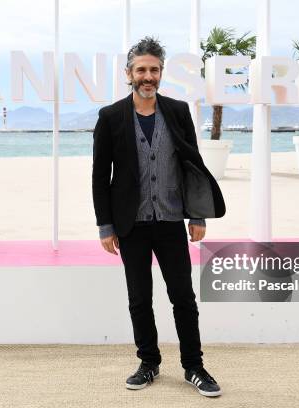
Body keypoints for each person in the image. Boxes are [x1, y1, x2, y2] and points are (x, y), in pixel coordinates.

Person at [91, 36, 226, 397]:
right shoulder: (110, 117)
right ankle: (148, 362)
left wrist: (198, 216)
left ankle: (193, 366)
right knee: (139, 298)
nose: (147, 76)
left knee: (182, 296)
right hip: (130, 225)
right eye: (141, 70)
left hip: (170, 223)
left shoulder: (178, 112)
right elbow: (99, 175)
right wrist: (105, 225)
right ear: (129, 74)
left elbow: (192, 166)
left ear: (161, 73)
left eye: (153, 70)